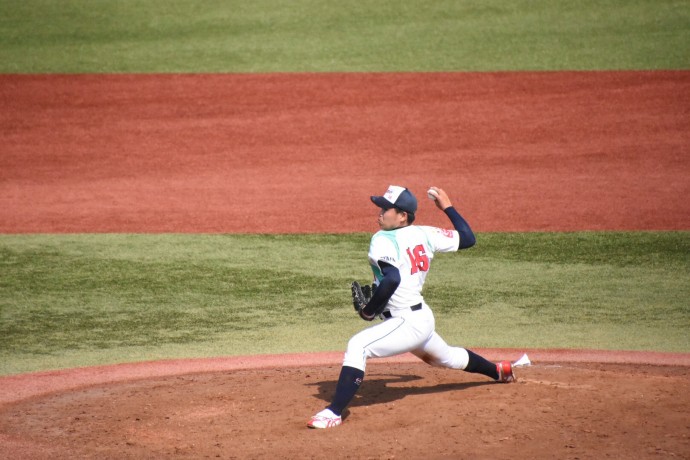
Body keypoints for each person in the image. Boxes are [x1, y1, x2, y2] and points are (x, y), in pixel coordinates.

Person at [307, 185, 515, 429]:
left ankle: (334, 412)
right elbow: (468, 239)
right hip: (419, 318)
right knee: (447, 357)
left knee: (358, 346)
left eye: (385, 209)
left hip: (407, 323)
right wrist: (447, 207)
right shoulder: (425, 233)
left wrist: (369, 311)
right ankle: (499, 371)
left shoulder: (382, 238)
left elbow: (392, 279)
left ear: (402, 216)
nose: (380, 213)